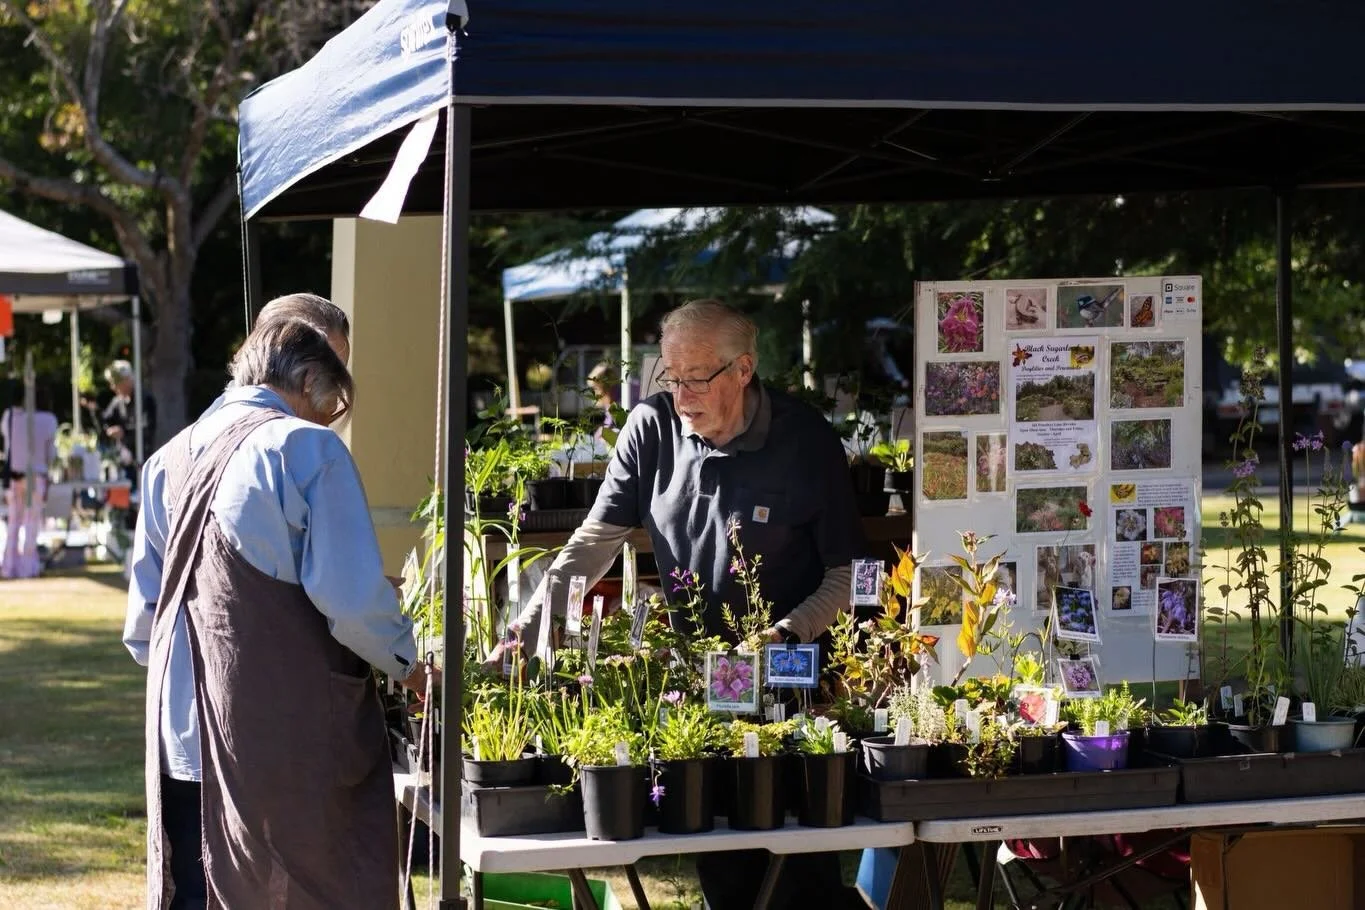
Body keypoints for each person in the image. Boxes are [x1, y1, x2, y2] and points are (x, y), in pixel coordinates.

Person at [502, 298, 865, 910]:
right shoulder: (650, 428)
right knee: (719, 849)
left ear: (743, 370)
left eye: (696, 378)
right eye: (670, 377)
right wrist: (520, 635)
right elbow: (593, 544)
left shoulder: (805, 441)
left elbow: (851, 574)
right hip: (701, 676)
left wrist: (789, 631)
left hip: (792, 677)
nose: (680, 394)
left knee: (797, 866)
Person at [124, 302, 431, 910]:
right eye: (335, 395)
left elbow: (143, 629)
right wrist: (409, 662)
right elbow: (351, 604)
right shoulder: (305, 449)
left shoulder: (168, 458)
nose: (333, 417)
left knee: (197, 892)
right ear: (312, 380)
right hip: (280, 737)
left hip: (180, 730)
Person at [1, 387, 58, 579]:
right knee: (31, 523)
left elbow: (8, 444)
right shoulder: (48, 421)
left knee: (14, 522)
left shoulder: (10, 417)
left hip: (16, 476)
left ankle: (9, 567)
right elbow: (51, 455)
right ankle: (27, 568)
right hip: (36, 475)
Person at [100, 358, 155, 481]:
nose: (113, 387)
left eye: (115, 383)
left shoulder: (145, 399)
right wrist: (110, 430)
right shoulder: (117, 402)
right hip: (123, 461)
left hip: (143, 460)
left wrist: (124, 433)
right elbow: (105, 420)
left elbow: (147, 429)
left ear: (126, 380)